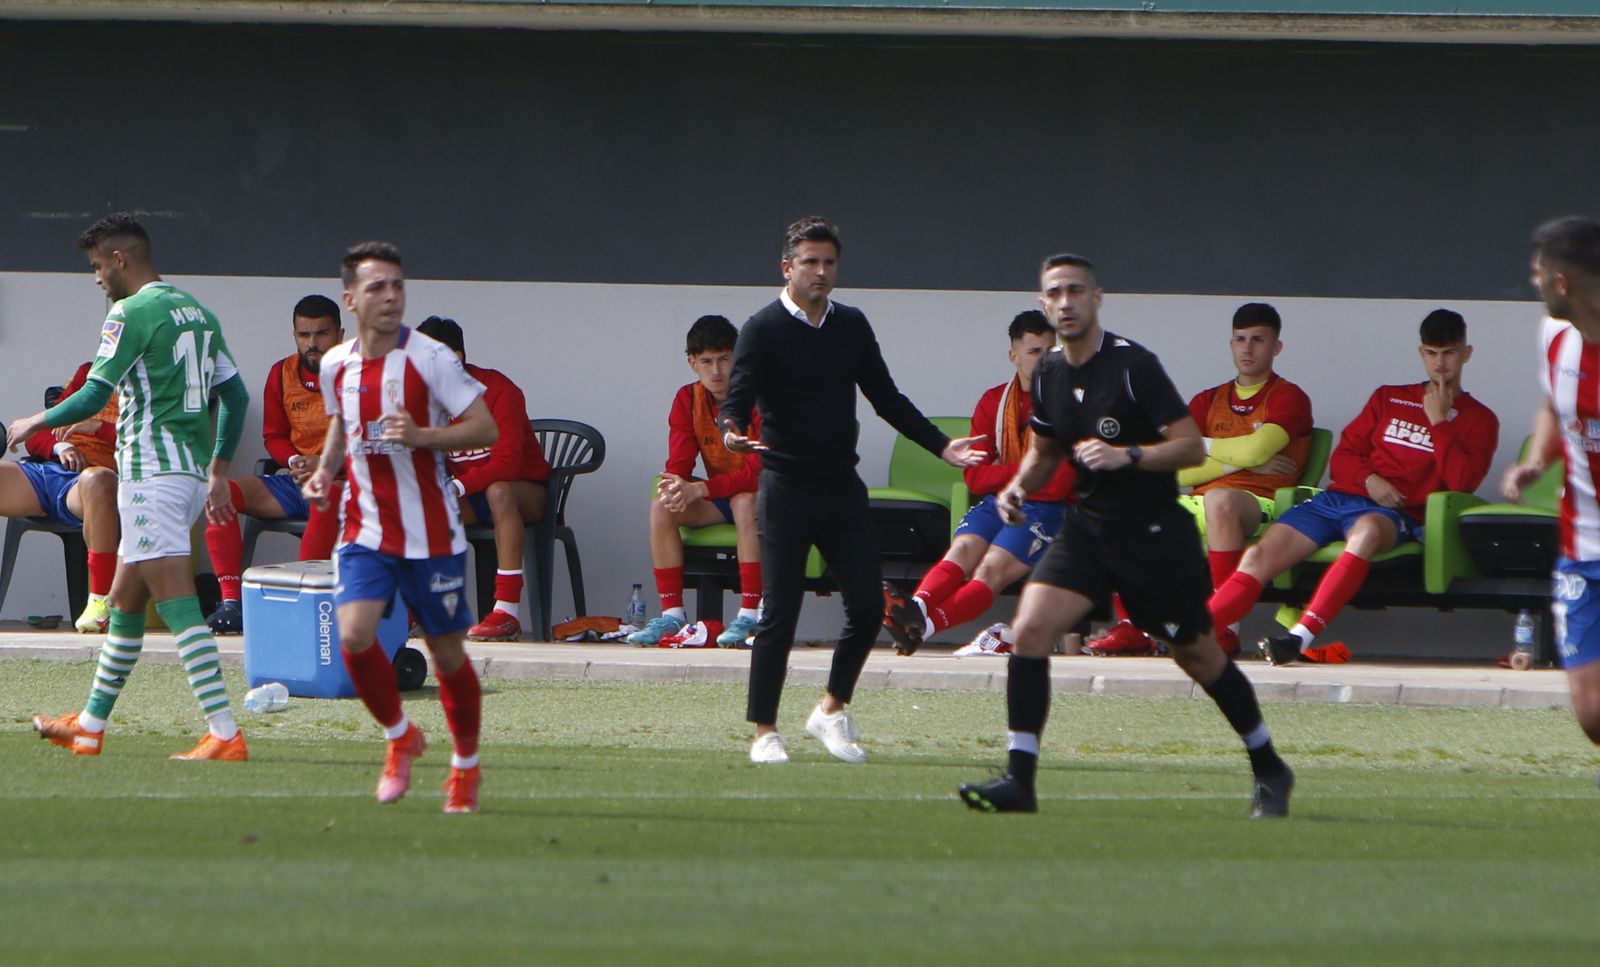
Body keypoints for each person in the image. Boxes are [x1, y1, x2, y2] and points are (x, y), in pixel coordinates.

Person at [958, 253, 1293, 817]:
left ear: (1097, 298)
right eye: (1054, 293)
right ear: (1044, 303)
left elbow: (1190, 446)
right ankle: (1020, 780)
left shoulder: (1134, 366)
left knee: (1198, 655)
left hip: (1153, 535)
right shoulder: (1050, 374)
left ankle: (1268, 765)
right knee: (1031, 627)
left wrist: (1127, 454)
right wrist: (1016, 487)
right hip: (1088, 529)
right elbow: (1043, 452)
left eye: (1075, 291)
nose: (1065, 302)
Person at [719, 216, 986, 765]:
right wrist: (730, 431)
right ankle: (764, 732)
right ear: (786, 267)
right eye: (809, 262)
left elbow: (886, 396)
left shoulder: (852, 325)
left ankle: (831, 711)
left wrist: (942, 446)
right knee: (781, 614)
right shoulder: (762, 328)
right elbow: (737, 397)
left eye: (829, 262)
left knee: (868, 606)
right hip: (785, 488)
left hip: (841, 487)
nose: (820, 271)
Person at [13, 212, 252, 760]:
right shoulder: (199, 312)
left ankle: (223, 732)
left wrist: (34, 422)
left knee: (176, 600)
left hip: (151, 474)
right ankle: (91, 726)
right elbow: (234, 398)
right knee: (124, 600)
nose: (97, 277)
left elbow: (96, 396)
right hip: (188, 472)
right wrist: (217, 469)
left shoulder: (130, 312)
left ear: (120, 259)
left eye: (98, 266)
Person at [301, 241, 498, 813]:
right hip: (364, 527)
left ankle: (464, 766)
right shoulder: (336, 363)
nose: (390, 297)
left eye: (397, 286)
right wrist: (324, 473)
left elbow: (485, 429)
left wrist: (423, 436)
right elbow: (340, 430)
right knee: (355, 636)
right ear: (351, 299)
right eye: (377, 288)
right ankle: (400, 737)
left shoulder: (431, 358)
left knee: (447, 655)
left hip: (432, 532)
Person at [1210, 309, 1499, 665]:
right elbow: (1344, 456)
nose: (1440, 364)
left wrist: (1439, 423)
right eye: (1432, 353)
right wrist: (1369, 479)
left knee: (1364, 533)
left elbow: (1462, 482)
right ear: (1421, 354)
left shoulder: (1480, 418)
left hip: (1393, 516)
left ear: (1465, 353)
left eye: (1449, 353)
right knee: (1256, 556)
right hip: (1338, 500)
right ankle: (1197, 635)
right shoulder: (1388, 398)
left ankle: (1298, 638)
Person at [1090, 302, 1313, 657]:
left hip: (1261, 504)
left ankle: (1223, 630)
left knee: (1220, 500)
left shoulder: (1289, 397)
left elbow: (1257, 451)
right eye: (1240, 339)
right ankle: (1133, 628)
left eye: (1258, 340)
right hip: (1200, 501)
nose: (1248, 348)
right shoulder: (1208, 400)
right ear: (1231, 344)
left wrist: (1209, 450)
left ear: (1276, 347)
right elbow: (1175, 470)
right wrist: (1232, 461)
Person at [882, 309, 1074, 657]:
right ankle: (918, 610)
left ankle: (920, 627)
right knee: (962, 550)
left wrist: (1006, 471)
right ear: (1014, 356)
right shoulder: (993, 401)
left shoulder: (1071, 405)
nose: (1045, 360)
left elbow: (1058, 483)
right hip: (999, 502)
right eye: (1034, 352)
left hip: (1048, 509)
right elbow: (973, 475)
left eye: (1051, 351)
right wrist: (1029, 471)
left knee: (990, 569)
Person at [1505, 215, 1600, 758]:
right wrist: (1537, 461)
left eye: (1537, 273)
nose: (1532, 281)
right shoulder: (1554, 336)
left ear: (1562, 282)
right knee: (1590, 713)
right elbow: (1551, 403)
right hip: (1582, 545)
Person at [203, 295, 346, 634]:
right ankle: (231, 603)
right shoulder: (281, 373)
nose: (312, 344)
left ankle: (301, 603)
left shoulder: (360, 374)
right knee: (220, 494)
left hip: (347, 482)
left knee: (322, 498)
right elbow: (274, 436)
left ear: (340, 335)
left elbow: (373, 442)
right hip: (295, 480)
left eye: (322, 334)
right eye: (304, 335)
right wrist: (294, 460)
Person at [628, 314, 764, 648]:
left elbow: (757, 472)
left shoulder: (761, 396)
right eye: (706, 361)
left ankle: (749, 615)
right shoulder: (687, 399)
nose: (716, 371)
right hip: (723, 495)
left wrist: (700, 488)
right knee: (662, 507)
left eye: (724, 359)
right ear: (692, 363)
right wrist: (675, 487)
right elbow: (678, 463)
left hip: (772, 496)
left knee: (745, 501)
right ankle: (673, 614)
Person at [415, 315, 550, 642]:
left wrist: (457, 486)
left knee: (499, 491)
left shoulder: (499, 391)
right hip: (469, 494)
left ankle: (506, 611)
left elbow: (507, 463)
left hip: (524, 492)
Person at [6, 362, 121, 633]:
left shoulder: (152, 384)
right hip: (48, 471)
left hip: (90, 484)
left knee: (98, 480)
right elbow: (39, 433)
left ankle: (100, 602)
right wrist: (61, 446)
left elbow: (151, 441)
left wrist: (98, 428)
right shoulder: (89, 374)